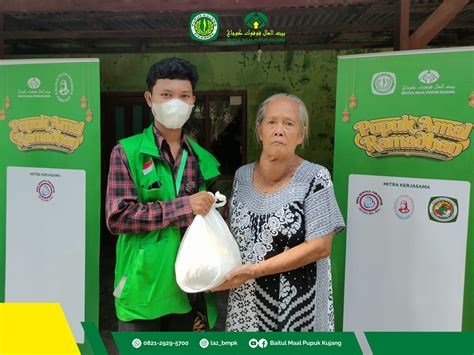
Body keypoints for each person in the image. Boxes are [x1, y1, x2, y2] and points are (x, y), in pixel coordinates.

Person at [105, 58, 220, 332]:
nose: (175, 103)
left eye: (183, 96)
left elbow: (212, 222)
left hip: (189, 287)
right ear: (149, 98)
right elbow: (119, 218)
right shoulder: (127, 152)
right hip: (143, 289)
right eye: (166, 95)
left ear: (193, 101)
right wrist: (185, 206)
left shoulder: (204, 161)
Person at [213, 93, 345, 332]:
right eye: (272, 122)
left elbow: (320, 247)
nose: (279, 130)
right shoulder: (242, 176)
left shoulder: (315, 177)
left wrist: (252, 271)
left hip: (298, 308)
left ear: (301, 134)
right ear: (259, 129)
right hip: (247, 306)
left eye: (289, 123)